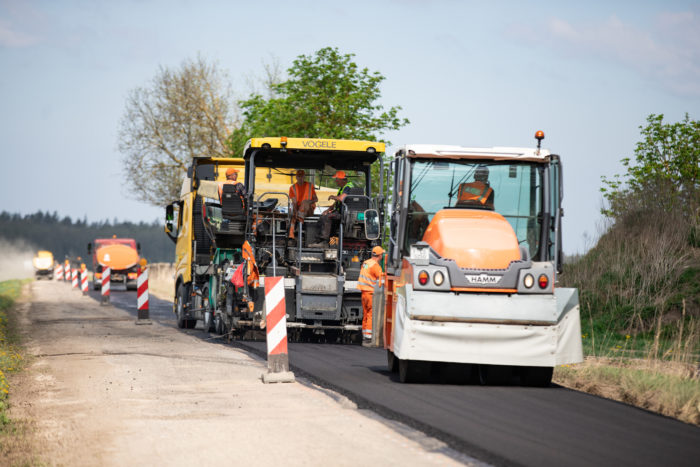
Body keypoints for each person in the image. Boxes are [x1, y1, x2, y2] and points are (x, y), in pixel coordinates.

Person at [310, 170, 353, 247]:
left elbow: (341, 199)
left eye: (337, 179)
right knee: (323, 216)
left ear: (341, 179)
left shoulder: (348, 187)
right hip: (340, 212)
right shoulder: (342, 188)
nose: (336, 181)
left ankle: (324, 242)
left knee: (327, 217)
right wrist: (327, 210)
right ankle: (319, 241)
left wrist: (333, 197)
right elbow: (337, 203)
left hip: (345, 214)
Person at [358, 245, 385, 343]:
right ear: (380, 255)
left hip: (363, 293)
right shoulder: (376, 266)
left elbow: (365, 272)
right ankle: (369, 336)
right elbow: (381, 281)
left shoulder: (366, 263)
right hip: (370, 293)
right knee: (370, 314)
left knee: (365, 314)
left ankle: (364, 335)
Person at [288, 169, 318, 240]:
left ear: (304, 177)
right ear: (296, 177)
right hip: (299, 211)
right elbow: (294, 202)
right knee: (291, 212)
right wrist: (295, 212)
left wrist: (308, 202)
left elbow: (316, 199)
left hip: (309, 210)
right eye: (299, 176)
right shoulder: (292, 188)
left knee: (304, 202)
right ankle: (291, 235)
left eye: (302, 176)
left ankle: (299, 221)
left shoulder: (310, 186)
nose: (300, 178)